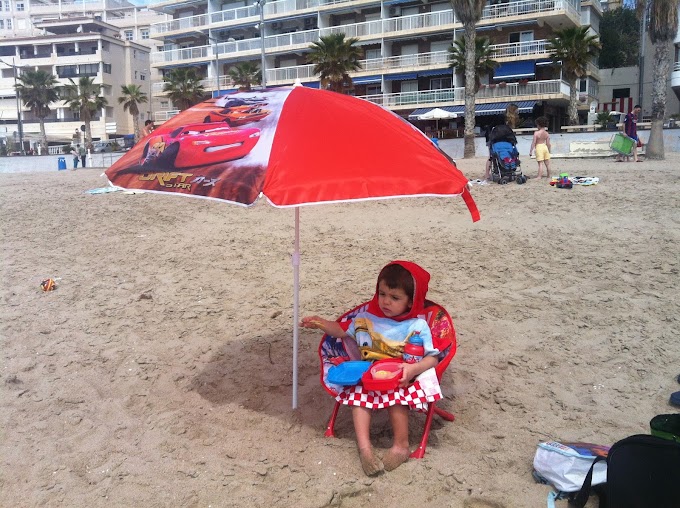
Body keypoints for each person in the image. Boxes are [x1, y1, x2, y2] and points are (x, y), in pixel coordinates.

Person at [300, 261, 441, 476]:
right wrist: (320, 323)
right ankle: (365, 449)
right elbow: (340, 330)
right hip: (370, 373)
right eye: (382, 294)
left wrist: (413, 370)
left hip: (402, 376)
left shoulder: (416, 326)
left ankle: (401, 446)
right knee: (358, 397)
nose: (385, 301)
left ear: (410, 302)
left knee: (397, 399)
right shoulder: (367, 318)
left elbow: (433, 358)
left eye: (395, 298)